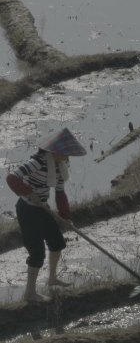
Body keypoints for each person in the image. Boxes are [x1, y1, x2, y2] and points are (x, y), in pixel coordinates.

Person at [5, 128, 86, 302]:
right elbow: (12, 178)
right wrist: (28, 192)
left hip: (42, 208)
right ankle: (29, 293)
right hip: (27, 209)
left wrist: (65, 217)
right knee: (37, 252)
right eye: (65, 154)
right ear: (55, 152)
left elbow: (60, 194)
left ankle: (52, 278)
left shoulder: (59, 169)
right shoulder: (37, 162)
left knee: (57, 242)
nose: (67, 158)